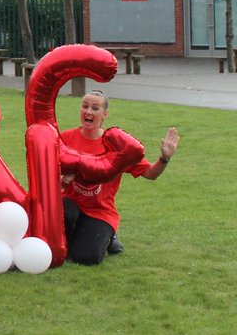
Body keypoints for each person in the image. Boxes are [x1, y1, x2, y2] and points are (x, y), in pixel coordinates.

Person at [61, 89, 179, 265]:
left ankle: (109, 236)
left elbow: (150, 173)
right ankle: (76, 236)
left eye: (95, 108)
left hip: (100, 210)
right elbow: (48, 174)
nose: (88, 112)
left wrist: (165, 158)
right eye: (85, 106)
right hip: (70, 204)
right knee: (65, 218)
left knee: (86, 258)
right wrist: (62, 180)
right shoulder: (65, 138)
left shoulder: (117, 146)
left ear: (105, 114)